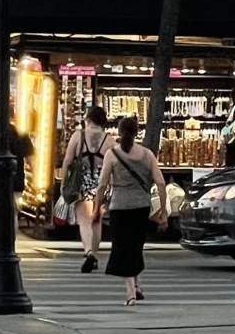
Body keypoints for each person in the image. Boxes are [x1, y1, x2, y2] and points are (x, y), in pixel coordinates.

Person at [93, 115, 167, 305]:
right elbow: (160, 183)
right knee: (135, 247)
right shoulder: (147, 154)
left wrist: (96, 209)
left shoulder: (112, 154)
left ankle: (130, 294)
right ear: (136, 132)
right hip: (141, 207)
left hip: (119, 208)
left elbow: (102, 186)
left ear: (119, 131)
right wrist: (164, 213)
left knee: (123, 249)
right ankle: (137, 286)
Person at [61, 106, 112, 272]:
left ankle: (88, 252)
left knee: (83, 219)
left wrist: (63, 183)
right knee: (97, 220)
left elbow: (68, 161)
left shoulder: (78, 135)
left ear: (88, 119)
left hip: (82, 180)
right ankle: (95, 255)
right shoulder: (109, 140)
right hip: (102, 181)